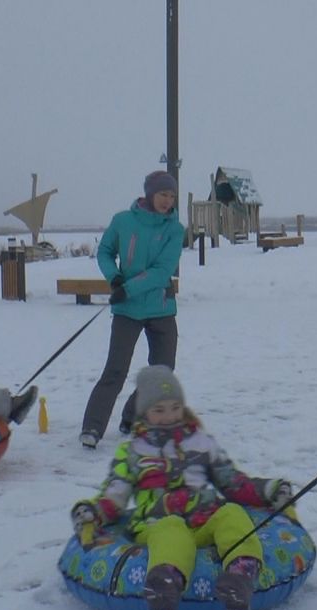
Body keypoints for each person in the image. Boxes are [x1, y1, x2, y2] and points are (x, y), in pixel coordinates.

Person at [69, 365, 294, 610]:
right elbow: (115, 495)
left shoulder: (201, 442)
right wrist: (93, 513)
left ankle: (240, 576)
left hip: (203, 517)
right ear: (144, 411)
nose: (168, 416)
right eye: (159, 410)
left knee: (231, 513)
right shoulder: (132, 452)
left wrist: (269, 490)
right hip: (157, 522)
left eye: (175, 407)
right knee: (171, 527)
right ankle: (165, 585)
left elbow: (232, 481)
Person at [80, 171, 184, 449]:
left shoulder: (175, 230)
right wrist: (114, 278)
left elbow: (162, 271)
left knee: (162, 371)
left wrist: (128, 288)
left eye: (172, 196)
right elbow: (104, 252)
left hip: (160, 307)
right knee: (115, 369)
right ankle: (92, 426)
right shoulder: (123, 221)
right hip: (127, 310)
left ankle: (131, 416)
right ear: (150, 194)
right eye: (163, 194)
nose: (167, 201)